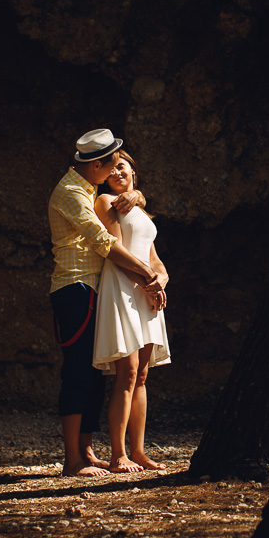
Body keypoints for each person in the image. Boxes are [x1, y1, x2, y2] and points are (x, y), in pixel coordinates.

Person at [48, 129, 164, 477]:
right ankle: (72, 459)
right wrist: (148, 275)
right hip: (75, 286)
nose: (116, 169)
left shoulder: (87, 188)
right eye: (111, 164)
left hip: (95, 288)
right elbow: (104, 242)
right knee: (78, 371)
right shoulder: (71, 192)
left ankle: (85, 451)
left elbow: (126, 203)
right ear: (97, 165)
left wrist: (137, 195)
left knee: (94, 373)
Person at [94, 150, 171, 472]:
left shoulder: (140, 209)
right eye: (111, 169)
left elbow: (154, 258)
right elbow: (115, 251)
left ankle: (138, 451)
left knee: (142, 375)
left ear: (133, 171)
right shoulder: (104, 202)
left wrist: (161, 280)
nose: (116, 172)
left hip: (147, 290)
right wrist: (148, 282)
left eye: (121, 166)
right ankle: (118, 454)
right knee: (126, 373)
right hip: (123, 287)